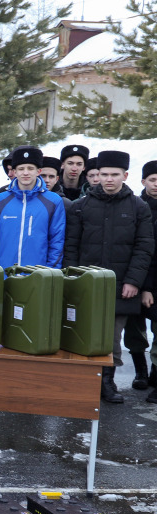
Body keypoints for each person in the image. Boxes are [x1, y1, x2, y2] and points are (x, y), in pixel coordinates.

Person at [64, 150, 154, 404]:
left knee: (111, 337)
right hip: (85, 286)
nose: (109, 179)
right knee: (81, 332)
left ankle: (106, 382)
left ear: (125, 175)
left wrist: (133, 281)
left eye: (115, 174)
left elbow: (144, 246)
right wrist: (72, 279)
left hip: (121, 287)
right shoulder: (81, 207)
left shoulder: (139, 207)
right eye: (104, 174)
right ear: (96, 175)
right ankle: (81, 381)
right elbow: (71, 246)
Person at [0, 146, 65, 269]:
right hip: (3, 273)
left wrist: (50, 272)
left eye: (30, 168)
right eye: (21, 169)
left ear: (38, 171)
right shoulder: (0, 201)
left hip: (38, 275)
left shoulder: (53, 201)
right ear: (14, 172)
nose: (25, 173)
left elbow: (57, 240)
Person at [128, 160, 157, 401]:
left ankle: (156, 373)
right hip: (135, 275)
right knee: (134, 326)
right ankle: (141, 371)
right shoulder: (136, 206)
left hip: (153, 279)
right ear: (143, 181)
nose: (156, 184)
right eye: (152, 179)